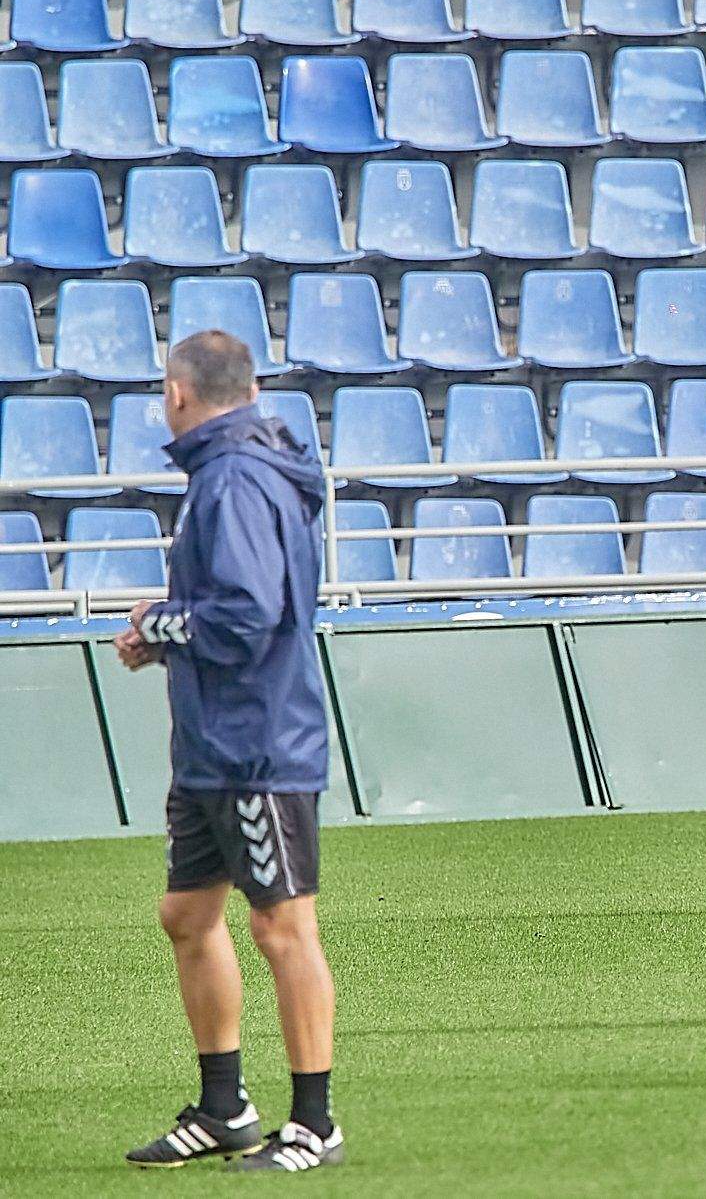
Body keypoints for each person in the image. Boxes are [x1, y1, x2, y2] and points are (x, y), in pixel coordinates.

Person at [118, 331, 343, 1172]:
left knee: (283, 925)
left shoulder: (236, 477)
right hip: (217, 741)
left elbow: (245, 616)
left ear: (180, 391)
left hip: (257, 743)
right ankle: (225, 1107)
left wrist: (156, 625)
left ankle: (315, 1122)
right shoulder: (242, 466)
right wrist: (169, 633)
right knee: (187, 915)